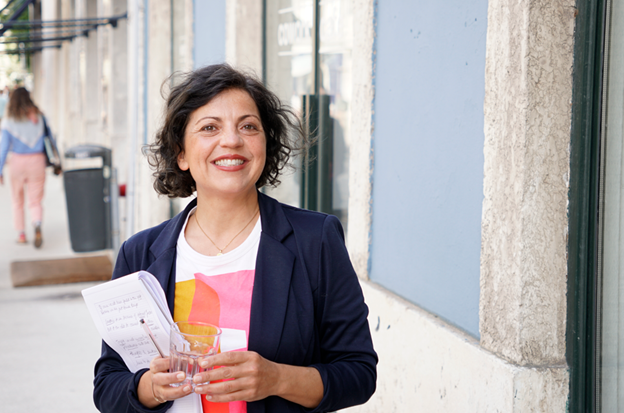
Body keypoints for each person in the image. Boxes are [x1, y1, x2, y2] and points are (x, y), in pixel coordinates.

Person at [93, 63, 377, 413]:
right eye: (209, 127)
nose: (231, 140)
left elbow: (358, 373)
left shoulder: (314, 241)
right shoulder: (139, 254)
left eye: (248, 126)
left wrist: (278, 379)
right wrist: (149, 387)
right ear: (181, 154)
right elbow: (108, 384)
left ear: (265, 145)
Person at [0, 87, 55, 247]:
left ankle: (22, 234)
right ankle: (37, 223)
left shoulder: (8, 121)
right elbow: (51, 140)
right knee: (35, 200)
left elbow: (3, 148)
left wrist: (0, 169)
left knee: (17, 200)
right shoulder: (39, 117)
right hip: (37, 161)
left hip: (17, 161)